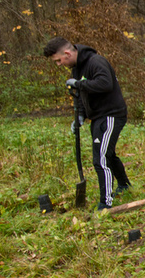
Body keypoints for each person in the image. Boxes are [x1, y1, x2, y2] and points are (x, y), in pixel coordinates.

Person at [44, 37, 131, 210]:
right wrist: (80, 117)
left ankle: (105, 203)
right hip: (98, 116)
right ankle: (124, 185)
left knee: (101, 158)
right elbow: (81, 95)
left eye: (59, 60)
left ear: (67, 53)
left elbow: (105, 83)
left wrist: (79, 83)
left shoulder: (95, 62)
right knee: (108, 153)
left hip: (111, 114)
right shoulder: (77, 69)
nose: (59, 64)